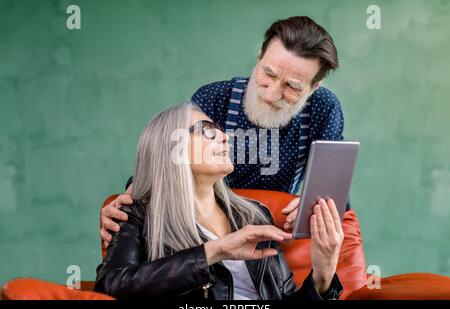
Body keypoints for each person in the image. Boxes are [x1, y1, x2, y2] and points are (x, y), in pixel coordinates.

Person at [100, 16, 346, 248]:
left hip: (272, 235)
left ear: (314, 87)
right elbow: (170, 156)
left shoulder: (323, 108)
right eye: (268, 73)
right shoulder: (213, 98)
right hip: (205, 234)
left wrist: (316, 203)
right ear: (259, 56)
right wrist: (129, 204)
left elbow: (333, 191)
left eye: (293, 86)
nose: (271, 94)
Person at [94, 102, 344, 300]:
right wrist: (215, 251)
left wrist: (323, 274)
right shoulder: (138, 215)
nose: (224, 137)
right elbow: (110, 287)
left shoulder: (254, 215)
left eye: (221, 130)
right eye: (207, 131)